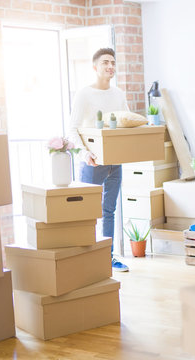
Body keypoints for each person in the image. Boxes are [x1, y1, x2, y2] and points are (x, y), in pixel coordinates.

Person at [68, 48, 129, 272]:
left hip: (115, 162)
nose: (110, 66)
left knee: (109, 211)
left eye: (113, 62)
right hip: (92, 163)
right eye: (105, 63)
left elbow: (126, 122)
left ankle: (108, 257)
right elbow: (72, 130)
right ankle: (85, 258)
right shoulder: (84, 94)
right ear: (95, 67)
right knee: (87, 213)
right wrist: (86, 154)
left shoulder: (118, 93)